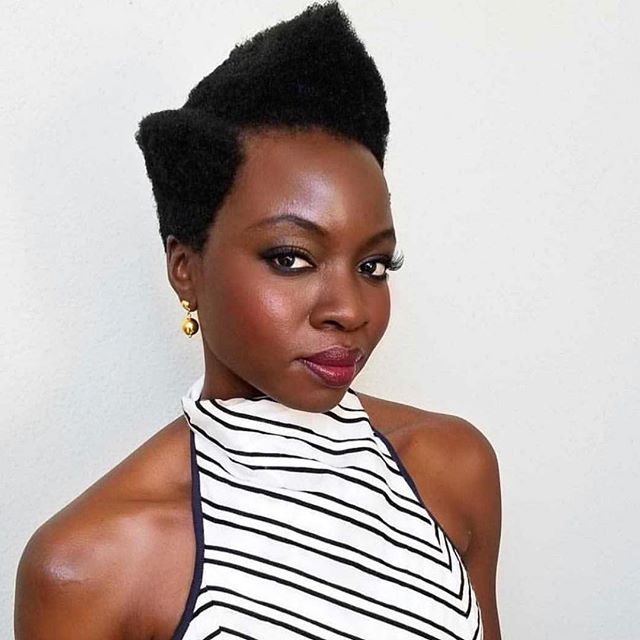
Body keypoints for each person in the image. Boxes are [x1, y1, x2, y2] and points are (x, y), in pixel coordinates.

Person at [14, 2, 502, 638]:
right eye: (290, 258)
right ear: (185, 269)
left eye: (374, 265)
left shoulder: (452, 469)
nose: (350, 309)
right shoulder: (89, 565)